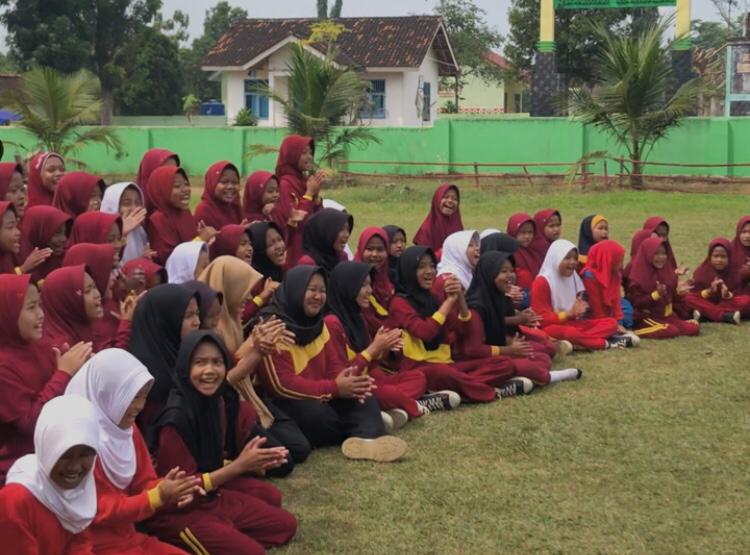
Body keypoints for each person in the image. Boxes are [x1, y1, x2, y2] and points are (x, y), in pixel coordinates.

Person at [147, 331, 298, 554]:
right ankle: (203, 535)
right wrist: (240, 466)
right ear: (185, 367)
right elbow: (179, 491)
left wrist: (255, 460)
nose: (209, 370)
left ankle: (222, 530)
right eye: (200, 362)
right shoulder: (175, 421)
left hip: (211, 495)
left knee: (285, 524)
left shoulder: (217, 402)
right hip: (180, 511)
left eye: (217, 362)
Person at [257, 265, 409, 462]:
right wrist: (336, 387)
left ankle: (366, 438)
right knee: (316, 415)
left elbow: (335, 368)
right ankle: (363, 429)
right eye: (312, 289)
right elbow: (282, 386)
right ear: (296, 289)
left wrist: (348, 383)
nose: (318, 296)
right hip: (291, 402)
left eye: (322, 291)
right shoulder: (273, 328)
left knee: (364, 394)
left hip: (325, 394)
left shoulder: (320, 324)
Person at [65, 349, 195, 555]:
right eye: (133, 397)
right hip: (94, 546)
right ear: (106, 392)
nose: (139, 406)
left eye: (143, 397)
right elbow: (100, 509)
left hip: (128, 537)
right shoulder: (78, 441)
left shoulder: (126, 429)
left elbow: (143, 482)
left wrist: (173, 488)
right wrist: (157, 496)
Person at [0, 274, 92, 483]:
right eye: (31, 307)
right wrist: (63, 373)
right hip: (23, 470)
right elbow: (31, 423)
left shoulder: (40, 345)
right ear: (7, 314)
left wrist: (79, 370)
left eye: (40, 305)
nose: (41, 315)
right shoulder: (3, 367)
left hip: (58, 454)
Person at [385, 246, 506, 403]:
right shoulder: (399, 302)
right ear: (409, 271)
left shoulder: (434, 299)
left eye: (432, 266)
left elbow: (464, 331)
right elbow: (425, 332)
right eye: (421, 267)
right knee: (442, 373)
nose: (429, 271)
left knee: (503, 363)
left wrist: (460, 298)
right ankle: (487, 390)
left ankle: (459, 388)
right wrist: (449, 302)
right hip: (418, 368)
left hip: (446, 364)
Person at [325, 262, 429, 430]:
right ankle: (413, 405)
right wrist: (374, 348)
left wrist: (382, 349)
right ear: (347, 287)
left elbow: (370, 366)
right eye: (363, 285)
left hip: (366, 381)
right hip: (349, 391)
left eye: (370, 284)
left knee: (417, 377)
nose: (369, 290)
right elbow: (343, 377)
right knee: (389, 394)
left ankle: (391, 407)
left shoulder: (357, 317)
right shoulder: (332, 322)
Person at [460, 251, 582, 387]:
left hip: (499, 349)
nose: (510, 275)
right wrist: (508, 350)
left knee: (543, 357)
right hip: (477, 360)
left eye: (511, 271)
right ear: (489, 274)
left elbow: (497, 323)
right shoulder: (475, 307)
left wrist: (519, 320)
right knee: (522, 365)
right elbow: (473, 350)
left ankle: (516, 377)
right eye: (503, 271)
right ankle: (552, 376)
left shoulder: (496, 294)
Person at [0, 395, 99, 554]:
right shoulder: (15, 500)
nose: (74, 467)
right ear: (47, 449)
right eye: (64, 455)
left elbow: (80, 542)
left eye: (84, 455)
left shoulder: (80, 488)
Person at [128, 284, 200, 429]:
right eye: (188, 316)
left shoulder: (187, 358)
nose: (197, 322)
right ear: (164, 320)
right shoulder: (148, 379)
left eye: (197, 314)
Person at [531, 239, 624, 350]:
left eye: (575, 258)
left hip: (573, 324)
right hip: (551, 327)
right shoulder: (542, 282)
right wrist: (567, 314)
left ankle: (577, 342)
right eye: (567, 258)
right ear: (556, 258)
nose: (573, 262)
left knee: (611, 324)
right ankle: (605, 343)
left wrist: (578, 311)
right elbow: (542, 319)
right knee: (570, 333)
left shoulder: (574, 278)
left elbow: (577, 315)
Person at [41, 264, 132, 352]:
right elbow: (115, 361)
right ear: (68, 301)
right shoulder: (62, 348)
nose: (97, 295)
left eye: (94, 287)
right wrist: (126, 323)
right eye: (88, 291)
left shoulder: (85, 330)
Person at [624, 236, 700, 339]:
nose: (661, 257)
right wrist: (656, 295)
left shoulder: (668, 272)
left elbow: (671, 298)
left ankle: (670, 326)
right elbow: (637, 303)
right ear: (647, 254)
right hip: (646, 317)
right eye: (656, 253)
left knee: (693, 329)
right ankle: (633, 332)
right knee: (670, 331)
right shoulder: (638, 276)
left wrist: (679, 292)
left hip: (666, 316)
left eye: (664, 253)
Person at [270, 135, 325, 265]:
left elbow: (318, 220)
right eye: (304, 153)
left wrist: (316, 196)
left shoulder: (303, 182)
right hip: (294, 253)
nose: (309, 157)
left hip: (310, 248)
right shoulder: (284, 185)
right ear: (291, 156)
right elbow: (294, 222)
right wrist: (309, 194)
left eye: (310, 153)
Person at [145, 166, 206, 265]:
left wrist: (199, 235)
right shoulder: (158, 219)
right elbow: (169, 259)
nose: (185, 189)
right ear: (162, 190)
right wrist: (200, 239)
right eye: (177, 186)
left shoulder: (185, 212)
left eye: (186, 184)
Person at [580, 240, 638, 338]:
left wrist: (619, 322)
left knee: (628, 313)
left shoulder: (615, 274)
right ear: (609, 260)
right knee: (609, 325)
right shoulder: (590, 277)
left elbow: (616, 301)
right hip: (592, 317)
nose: (621, 265)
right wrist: (612, 324)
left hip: (608, 315)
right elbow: (597, 310)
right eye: (619, 260)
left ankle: (613, 330)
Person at [685, 237, 750, 323]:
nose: (719, 260)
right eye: (715, 256)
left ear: (729, 257)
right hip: (707, 302)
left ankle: (706, 315)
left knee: (746, 300)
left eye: (723, 257)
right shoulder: (701, 272)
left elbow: (738, 294)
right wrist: (709, 291)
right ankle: (725, 316)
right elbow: (695, 293)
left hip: (725, 304)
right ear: (709, 257)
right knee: (688, 298)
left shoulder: (734, 272)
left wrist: (727, 295)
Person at [354, 227, 395, 334]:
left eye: (380, 250)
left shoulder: (388, 280)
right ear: (361, 249)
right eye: (370, 249)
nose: (375, 254)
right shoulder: (352, 280)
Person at [19, 205, 71, 285]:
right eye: (57, 233)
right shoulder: (16, 260)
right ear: (38, 233)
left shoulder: (62, 261)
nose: (64, 239)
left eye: (64, 233)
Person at [100, 182, 150, 263]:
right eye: (126, 203)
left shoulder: (140, 231)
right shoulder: (100, 231)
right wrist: (121, 233)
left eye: (138, 203)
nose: (134, 208)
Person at [413, 184, 463, 258]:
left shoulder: (458, 226)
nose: (450, 201)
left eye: (455, 199)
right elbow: (422, 258)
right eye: (446, 197)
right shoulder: (427, 229)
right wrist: (442, 253)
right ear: (437, 200)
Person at [298, 207, 353, 274]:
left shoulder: (342, 258)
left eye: (348, 229)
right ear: (325, 232)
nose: (347, 235)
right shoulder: (308, 263)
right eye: (341, 229)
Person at [505, 213, 542, 308]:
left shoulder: (535, 251)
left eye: (530, 232)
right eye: (523, 232)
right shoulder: (508, 253)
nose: (527, 236)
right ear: (513, 232)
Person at [194, 161, 243, 229]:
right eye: (224, 182)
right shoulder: (204, 210)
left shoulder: (235, 208)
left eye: (235, 183)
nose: (230, 187)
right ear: (212, 183)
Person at [136, 148, 179, 213]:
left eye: (173, 171)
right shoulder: (131, 212)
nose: (171, 177)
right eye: (165, 172)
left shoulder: (178, 210)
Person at [730, 215, 750, 293]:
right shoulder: (730, 251)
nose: (747, 236)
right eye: (744, 232)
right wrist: (744, 272)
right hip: (735, 293)